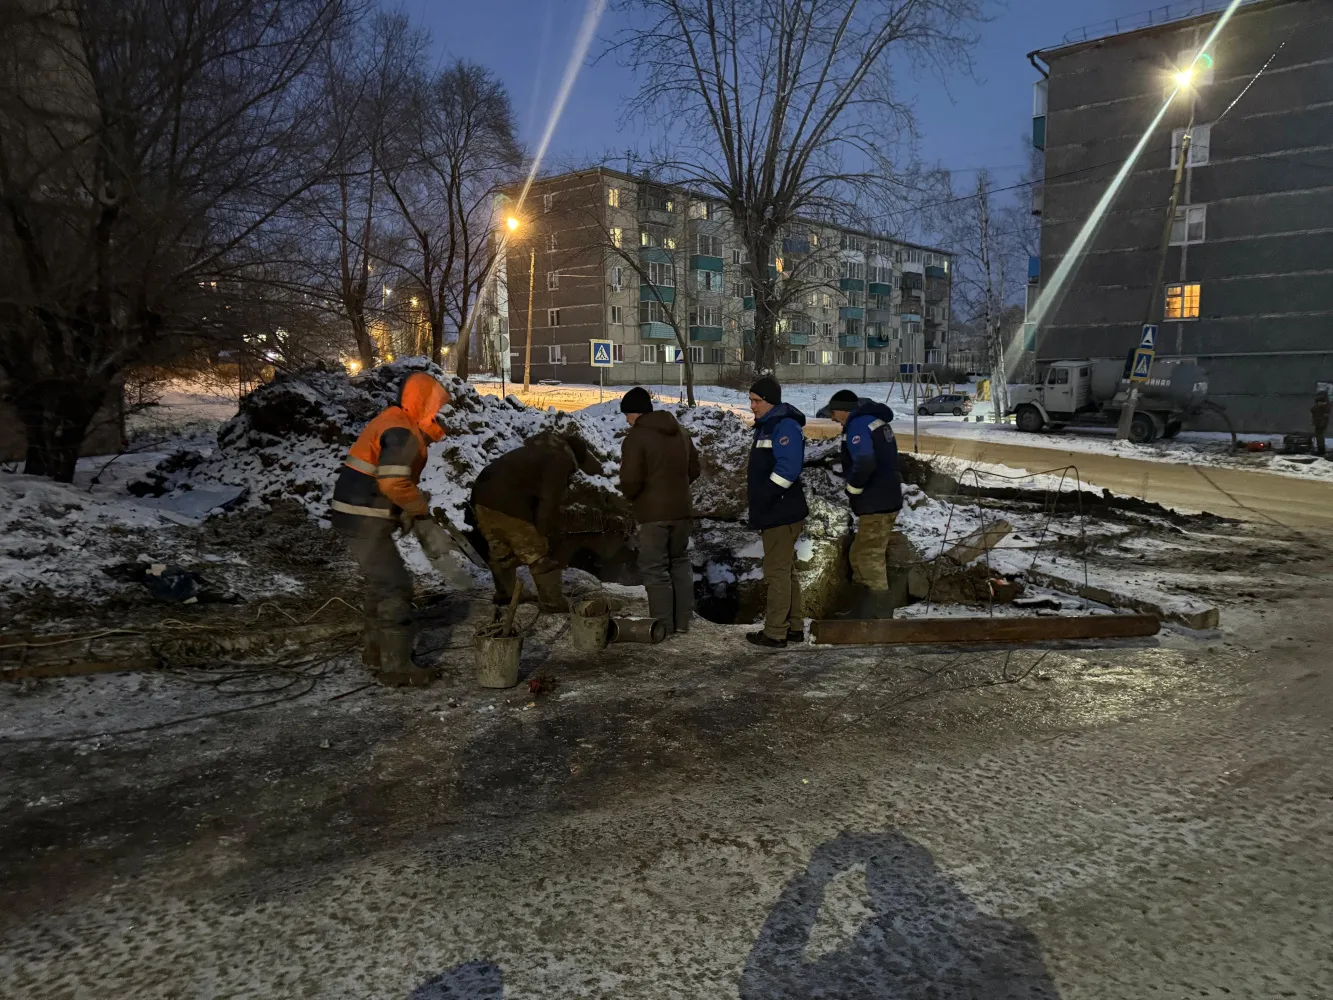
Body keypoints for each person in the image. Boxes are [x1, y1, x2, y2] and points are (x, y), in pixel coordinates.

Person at [330, 371, 452, 687]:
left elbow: (390, 480)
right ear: (423, 404)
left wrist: (405, 509)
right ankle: (396, 667)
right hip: (363, 515)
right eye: (435, 409)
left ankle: (375, 652)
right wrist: (420, 511)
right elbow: (392, 481)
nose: (438, 417)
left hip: (357, 513)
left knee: (381, 584)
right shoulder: (401, 430)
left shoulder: (396, 421)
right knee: (395, 587)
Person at [471, 430, 601, 615]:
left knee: (502, 552)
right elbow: (548, 501)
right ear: (576, 458)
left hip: (481, 500)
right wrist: (544, 532)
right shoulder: (559, 459)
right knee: (539, 557)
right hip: (509, 505)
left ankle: (506, 594)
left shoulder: (537, 451)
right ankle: (552, 603)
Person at [618, 386, 701, 635]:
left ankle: (662, 626)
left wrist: (633, 497)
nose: (626, 420)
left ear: (637, 413)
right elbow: (694, 469)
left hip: (652, 515)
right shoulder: (681, 432)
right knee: (679, 562)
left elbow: (630, 480)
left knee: (655, 569)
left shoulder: (636, 438)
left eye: (628, 414)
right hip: (682, 511)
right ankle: (683, 621)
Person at [826, 389, 904, 617]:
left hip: (876, 500)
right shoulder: (874, 421)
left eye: (833, 412)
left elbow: (864, 460)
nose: (832, 418)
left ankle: (878, 614)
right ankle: (862, 610)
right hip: (885, 496)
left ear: (842, 409)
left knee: (869, 556)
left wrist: (853, 489)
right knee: (859, 553)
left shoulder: (858, 424)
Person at [746, 377, 808, 649]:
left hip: (780, 512)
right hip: (777, 509)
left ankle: (775, 632)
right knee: (785, 571)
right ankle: (793, 627)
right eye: (751, 400)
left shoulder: (784, 427)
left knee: (776, 573)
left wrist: (765, 496)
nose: (752, 406)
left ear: (771, 402)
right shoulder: (768, 426)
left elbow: (788, 468)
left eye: (756, 401)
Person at [1312, 389, 1330, 457]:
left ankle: (1321, 450)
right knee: (1318, 436)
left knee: (1319, 436)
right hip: (1318, 423)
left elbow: (1325, 416)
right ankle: (1320, 449)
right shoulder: (1319, 406)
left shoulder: (1325, 406)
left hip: (1321, 423)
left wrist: (1322, 423)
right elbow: (1313, 411)